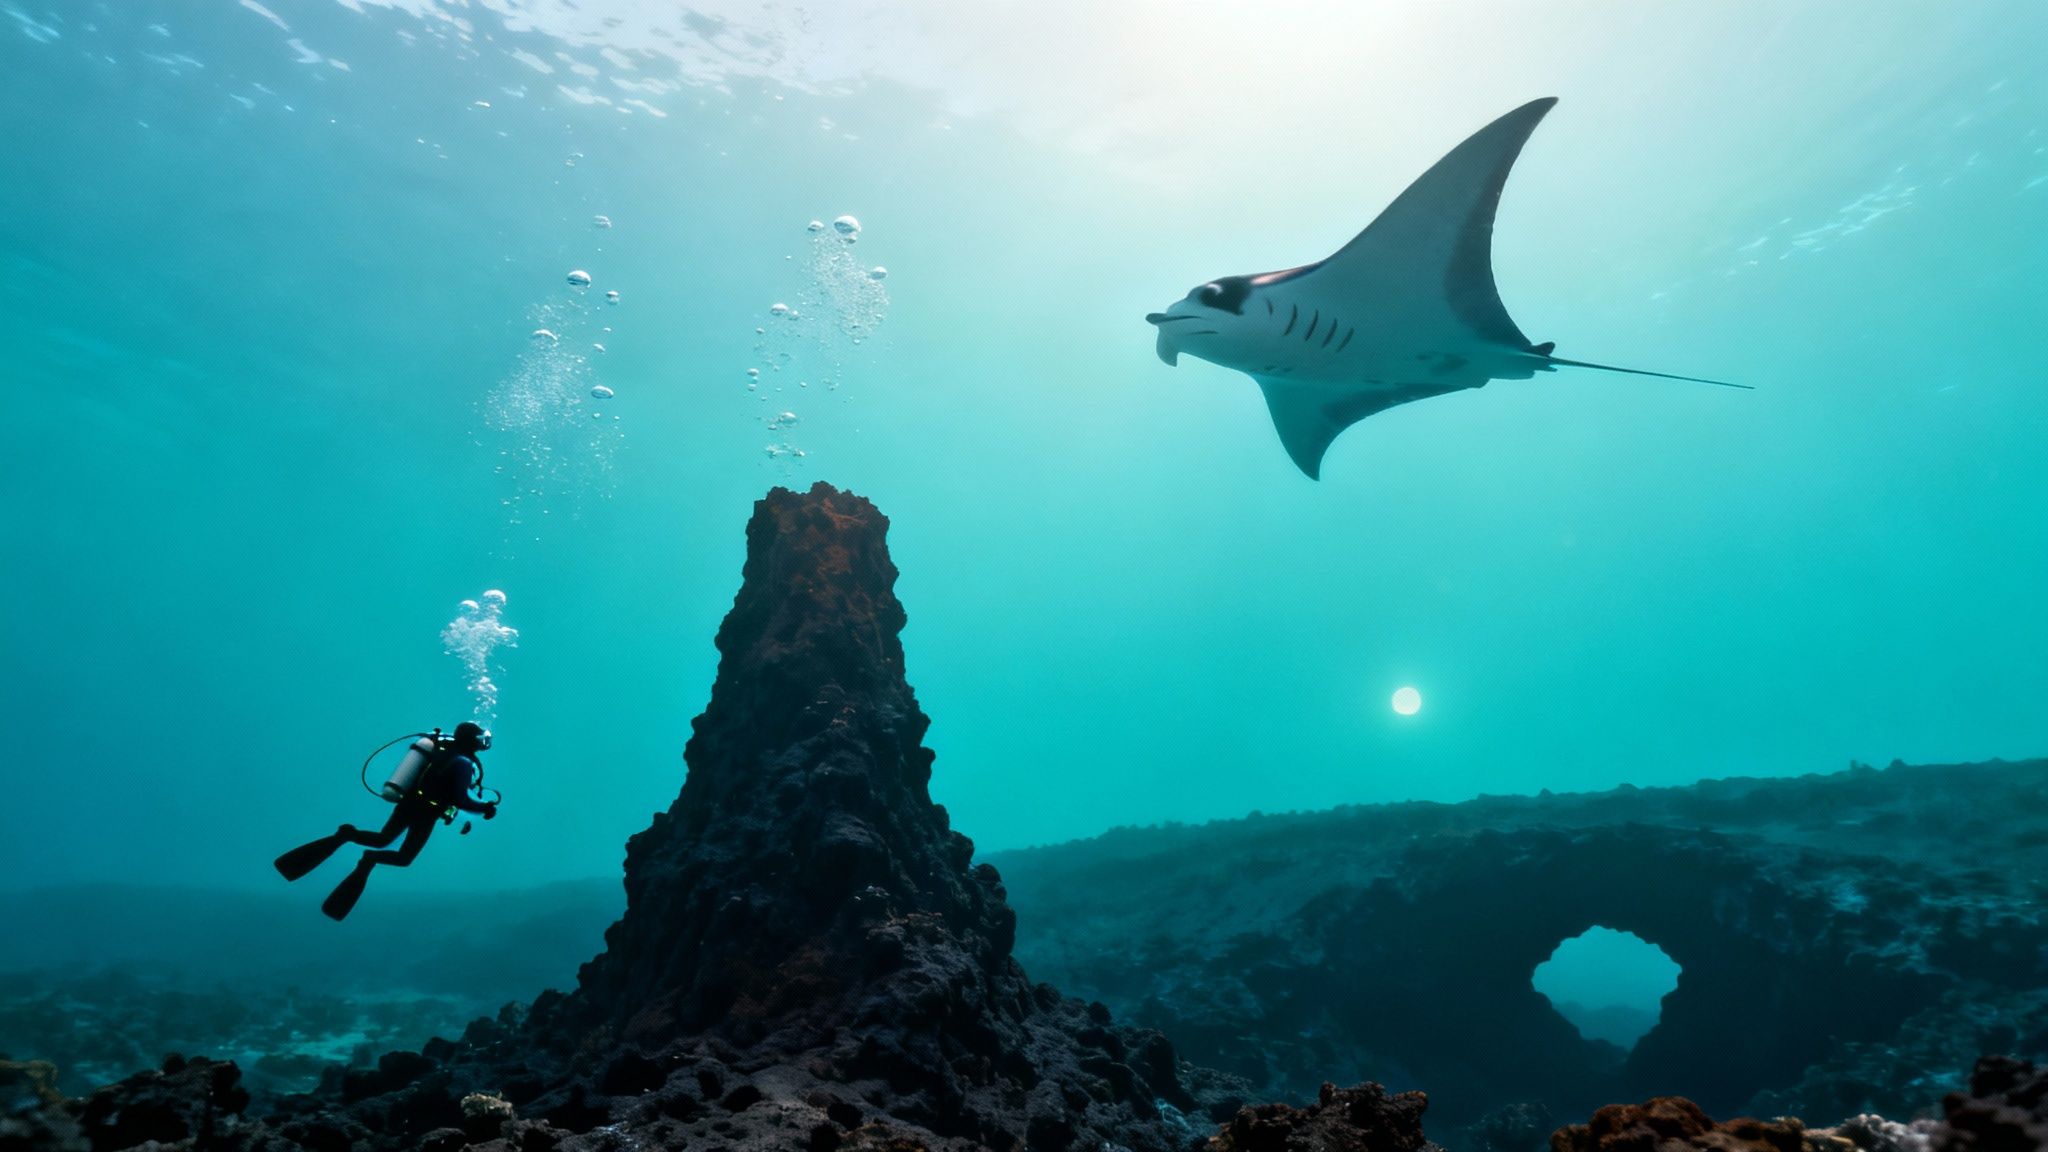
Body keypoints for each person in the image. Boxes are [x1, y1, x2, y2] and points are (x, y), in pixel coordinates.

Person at [274, 721, 499, 921]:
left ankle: (346, 835)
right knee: (403, 858)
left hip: (410, 803)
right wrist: (485, 808)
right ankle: (368, 860)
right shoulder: (463, 762)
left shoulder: (448, 753)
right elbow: (460, 799)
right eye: (481, 738)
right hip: (425, 813)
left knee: (383, 839)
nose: (484, 742)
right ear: (472, 741)